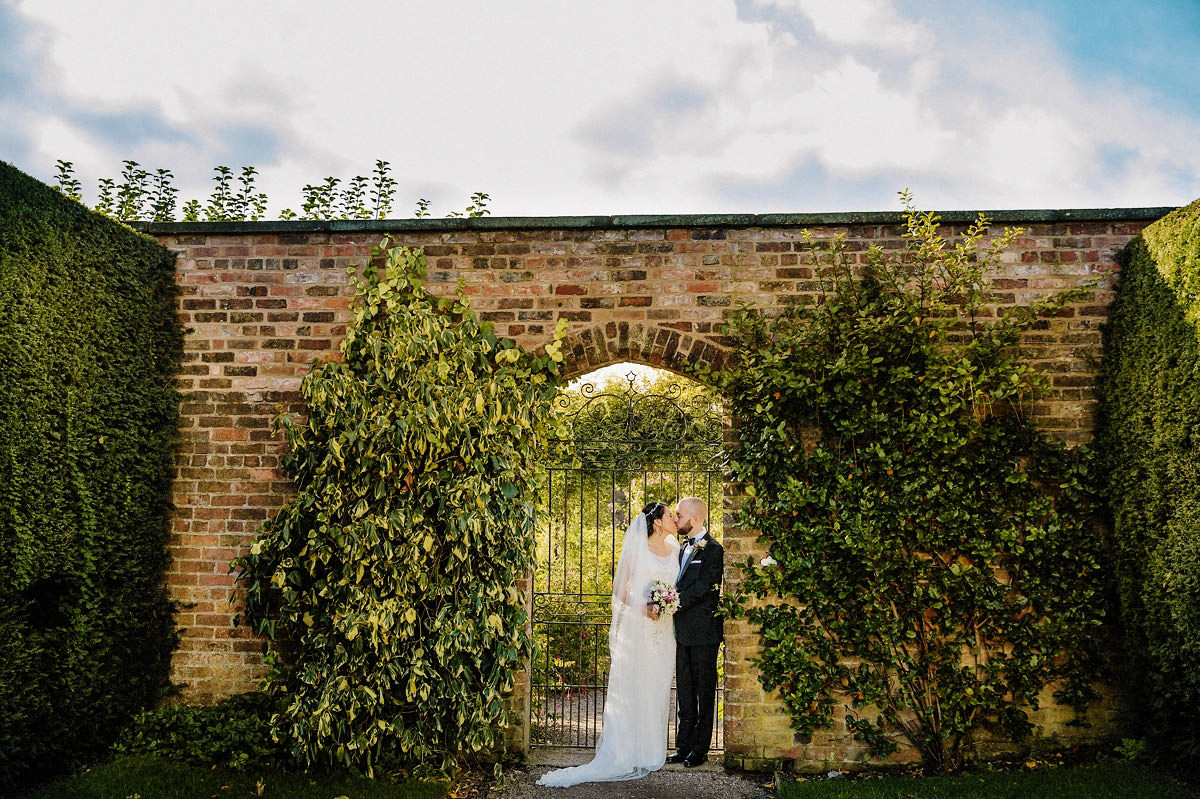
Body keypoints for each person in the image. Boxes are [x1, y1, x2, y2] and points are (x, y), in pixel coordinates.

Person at [536, 501, 680, 788]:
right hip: (639, 628)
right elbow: (621, 589)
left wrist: (668, 603)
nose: (675, 518)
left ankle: (651, 750)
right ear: (657, 521)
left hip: (664, 631)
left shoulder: (676, 547)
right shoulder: (637, 548)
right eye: (669, 514)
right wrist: (644, 608)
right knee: (634, 686)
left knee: (658, 686)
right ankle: (627, 751)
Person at [666, 496, 724, 768]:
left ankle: (700, 749)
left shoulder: (714, 550)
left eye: (679, 514)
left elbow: (704, 588)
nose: (676, 519)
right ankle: (683, 745)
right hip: (680, 632)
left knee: (703, 691)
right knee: (685, 692)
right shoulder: (679, 549)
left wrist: (673, 601)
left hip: (703, 634)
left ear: (696, 519)